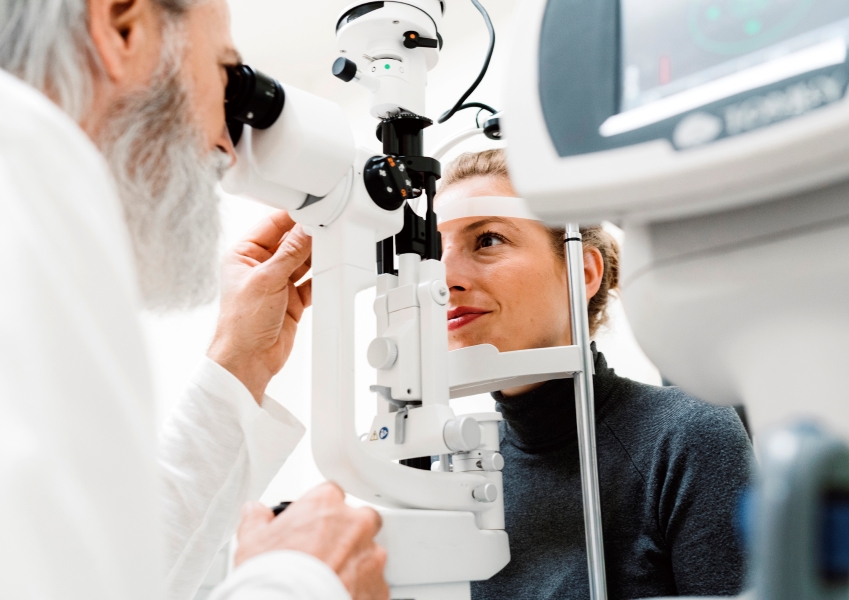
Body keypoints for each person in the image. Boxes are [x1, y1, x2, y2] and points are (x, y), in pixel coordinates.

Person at [0, 1, 387, 599]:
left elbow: (108, 565)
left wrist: (240, 365)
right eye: (226, 74)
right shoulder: (28, 170)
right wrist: (297, 582)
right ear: (123, 26)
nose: (227, 150)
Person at [436, 149, 755, 599]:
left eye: (487, 240)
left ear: (581, 272)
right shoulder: (447, 471)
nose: (444, 278)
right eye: (434, 252)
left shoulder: (685, 437)